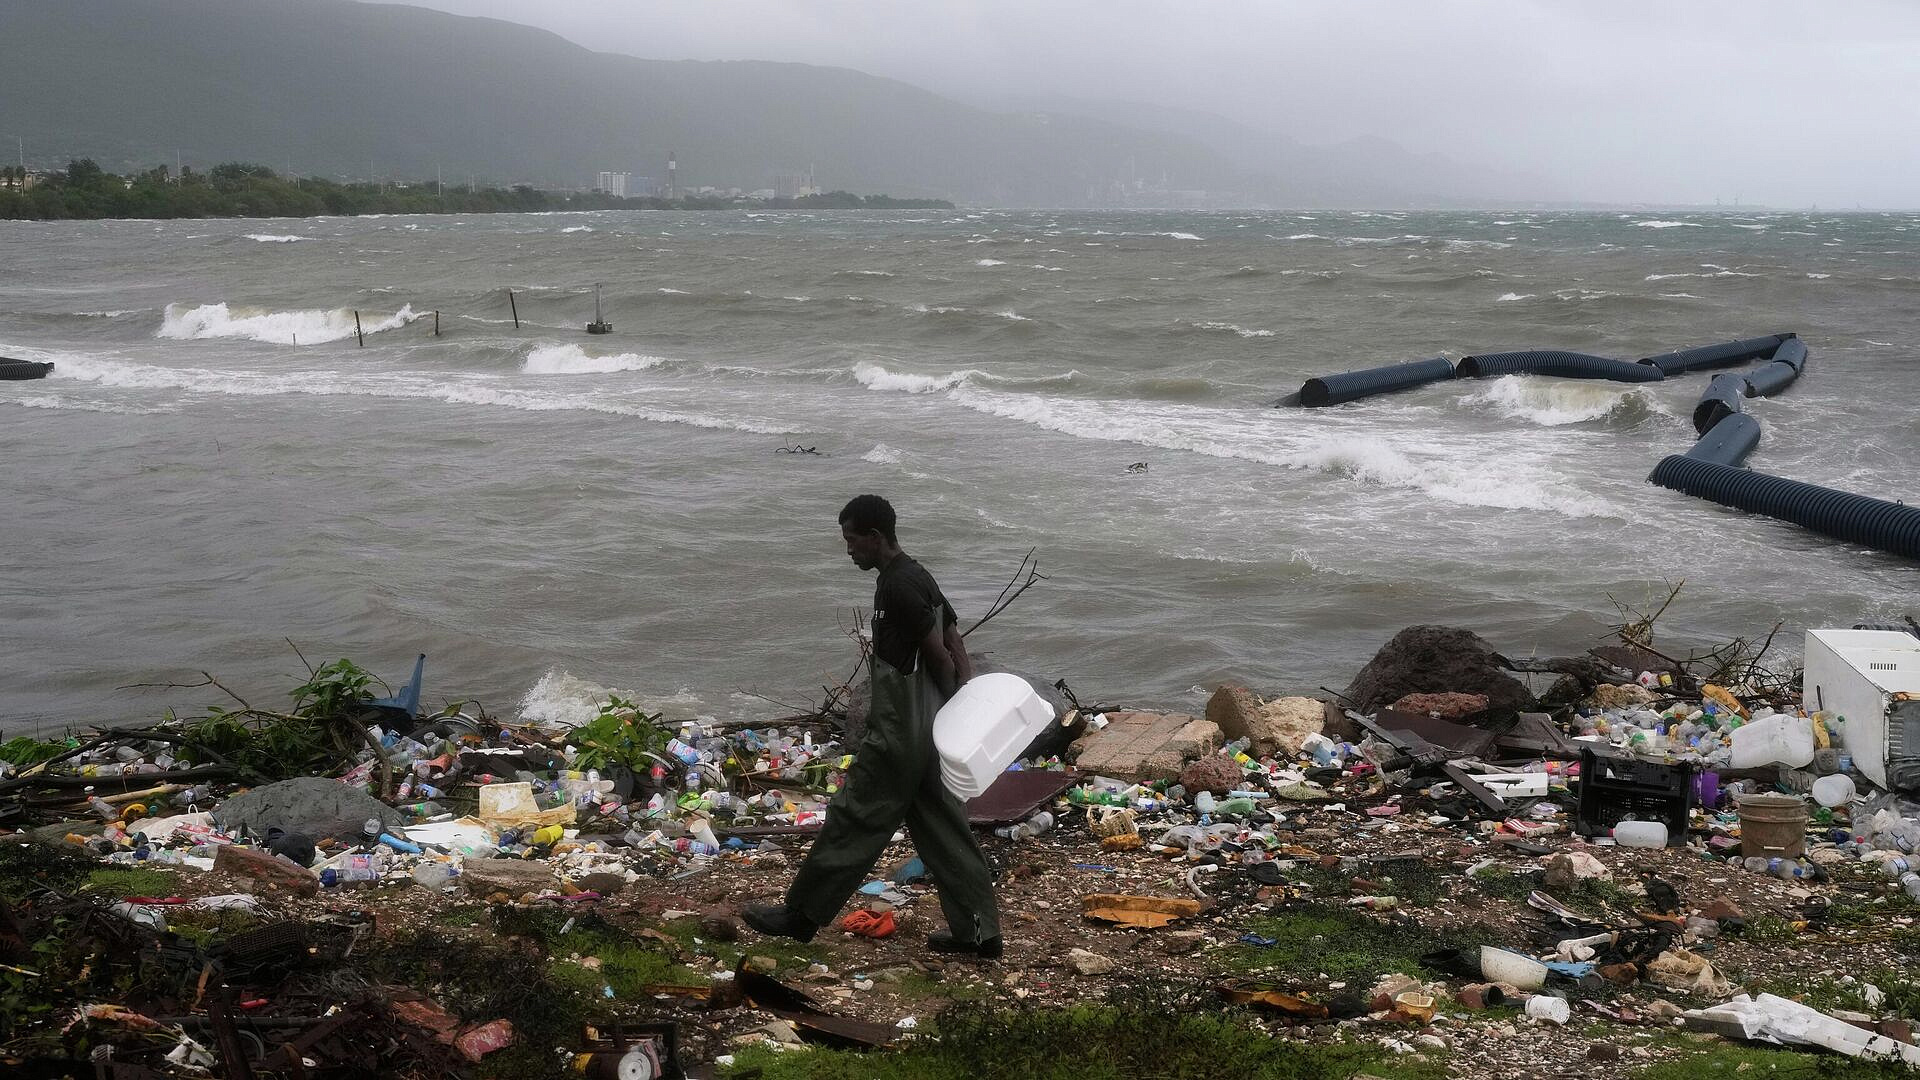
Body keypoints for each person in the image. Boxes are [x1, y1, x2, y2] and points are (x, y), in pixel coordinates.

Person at [744, 495, 1003, 957]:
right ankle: (981, 936)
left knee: (853, 818)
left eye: (851, 540)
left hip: (901, 733)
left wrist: (952, 698)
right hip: (931, 734)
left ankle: (800, 916)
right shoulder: (919, 573)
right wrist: (960, 704)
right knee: (945, 831)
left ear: (875, 537)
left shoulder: (895, 586)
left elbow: (938, 653)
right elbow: (954, 636)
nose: (848, 551)